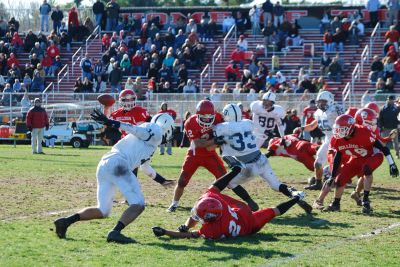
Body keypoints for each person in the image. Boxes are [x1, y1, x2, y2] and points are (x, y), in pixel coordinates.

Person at [54, 111, 175, 243]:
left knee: (103, 210)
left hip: (105, 164)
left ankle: (65, 222)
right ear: (166, 126)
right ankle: (115, 232)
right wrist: (110, 122)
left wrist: (162, 180)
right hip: (118, 163)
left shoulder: (151, 144)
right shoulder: (156, 131)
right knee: (138, 204)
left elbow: (145, 167)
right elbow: (133, 129)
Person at [152, 155, 305, 240]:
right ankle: (297, 198)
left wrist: (166, 232)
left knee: (273, 211)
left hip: (249, 227)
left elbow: (187, 236)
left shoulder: (211, 231)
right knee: (273, 211)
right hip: (243, 213)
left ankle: (296, 198)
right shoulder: (215, 210)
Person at [213, 103, 312, 214]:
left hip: (247, 166)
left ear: (226, 114)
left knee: (230, 183)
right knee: (276, 185)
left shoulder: (220, 128)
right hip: (261, 158)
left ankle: (250, 201)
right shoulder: (248, 123)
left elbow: (216, 141)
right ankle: (295, 194)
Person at [167, 100, 258, 213]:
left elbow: (230, 128)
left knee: (228, 180)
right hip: (194, 154)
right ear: (197, 115)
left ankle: (249, 200)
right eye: (203, 117)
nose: (207, 120)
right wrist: (218, 140)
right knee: (182, 181)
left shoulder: (219, 117)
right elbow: (199, 144)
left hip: (211, 155)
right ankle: (174, 203)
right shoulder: (190, 123)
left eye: (209, 117)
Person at [312, 114, 398, 213]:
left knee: (366, 169)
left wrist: (392, 164)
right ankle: (336, 204)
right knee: (340, 179)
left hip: (372, 156)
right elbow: (338, 156)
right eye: (338, 128)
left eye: (342, 129)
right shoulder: (337, 139)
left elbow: (383, 148)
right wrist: (333, 174)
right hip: (356, 158)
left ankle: (365, 201)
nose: (338, 131)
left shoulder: (363, 132)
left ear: (350, 128)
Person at [301, 91, 343, 190]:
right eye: (319, 102)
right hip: (328, 140)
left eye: (323, 101)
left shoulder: (336, 109)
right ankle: (318, 183)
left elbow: (345, 121)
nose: (321, 104)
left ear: (330, 101)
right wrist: (301, 128)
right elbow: (312, 126)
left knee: (338, 164)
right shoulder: (318, 113)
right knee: (318, 163)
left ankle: (341, 178)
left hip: (340, 140)